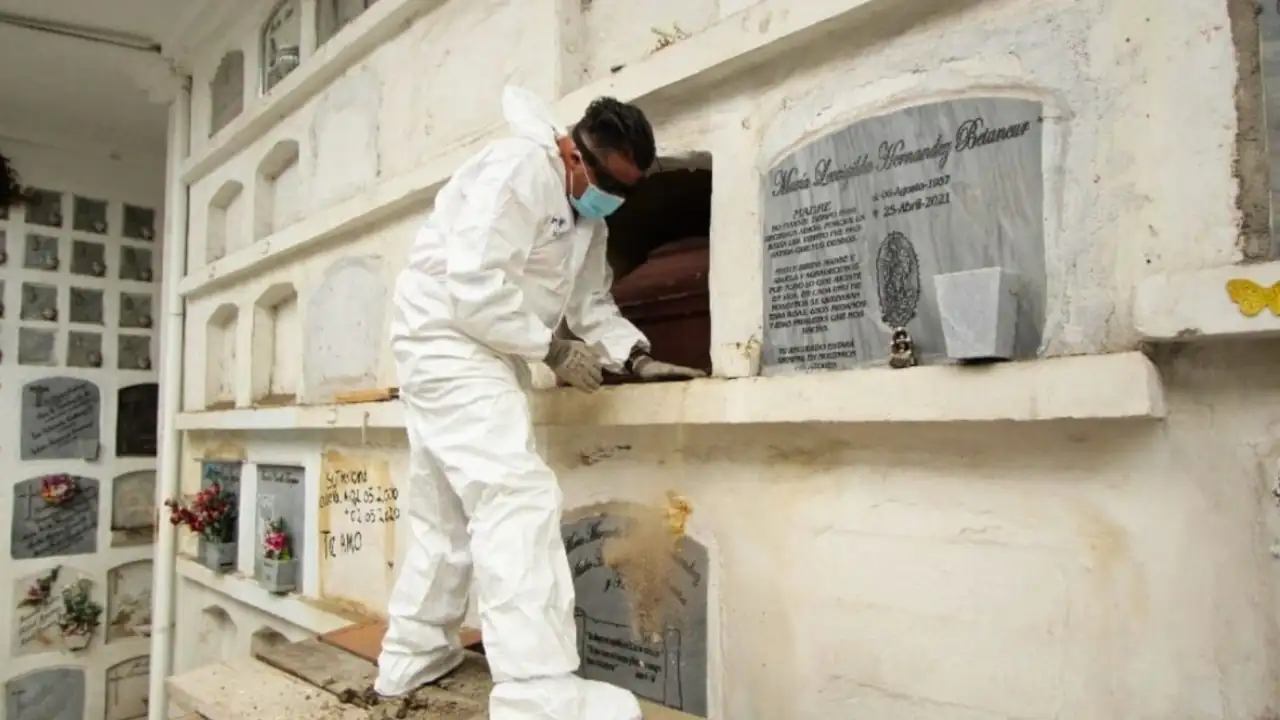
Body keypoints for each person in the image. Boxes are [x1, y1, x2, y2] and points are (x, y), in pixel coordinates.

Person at [375, 86, 706, 720]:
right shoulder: (519, 169)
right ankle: (537, 692)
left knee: (446, 511)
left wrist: (635, 356)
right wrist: (549, 350)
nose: (615, 199)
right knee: (516, 497)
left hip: (477, 347)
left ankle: (414, 652)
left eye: (629, 191)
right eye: (611, 182)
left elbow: (589, 307)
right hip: (447, 337)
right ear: (574, 150)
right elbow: (473, 288)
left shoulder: (587, 215)